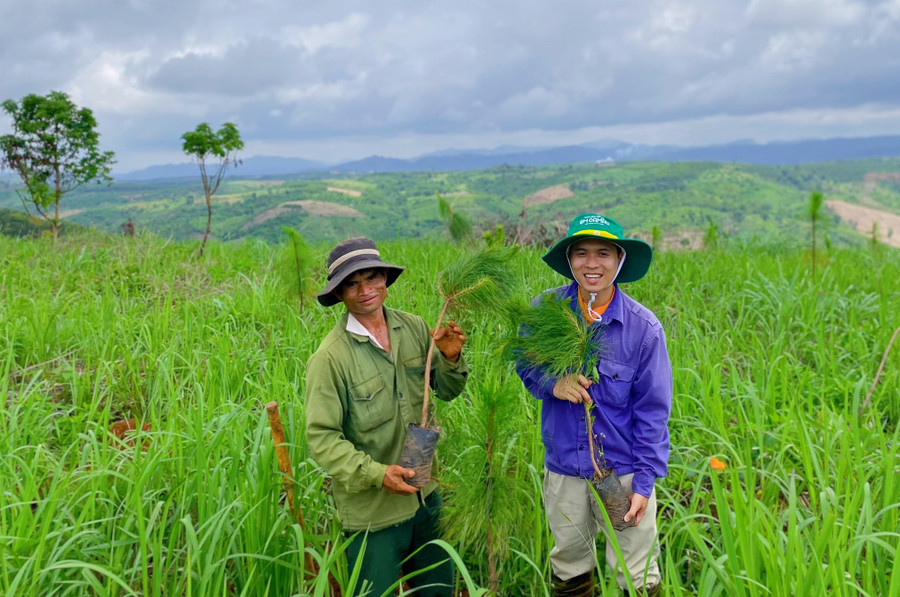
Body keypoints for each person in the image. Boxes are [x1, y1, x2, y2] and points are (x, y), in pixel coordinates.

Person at [516, 214, 672, 597]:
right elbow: (525, 363)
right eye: (581, 253)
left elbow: (653, 413)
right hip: (565, 469)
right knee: (569, 564)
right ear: (569, 259)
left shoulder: (643, 329)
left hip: (623, 472)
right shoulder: (545, 311)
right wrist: (554, 383)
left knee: (637, 574)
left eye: (603, 253)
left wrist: (645, 482)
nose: (592, 264)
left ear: (619, 260)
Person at [305, 236, 468, 597]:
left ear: (385, 281)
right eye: (352, 283)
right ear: (340, 293)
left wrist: (451, 360)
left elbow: (446, 391)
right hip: (373, 516)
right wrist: (379, 475)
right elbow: (322, 439)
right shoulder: (330, 359)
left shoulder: (412, 327)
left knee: (437, 591)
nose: (365, 290)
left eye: (373, 277)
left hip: (425, 499)